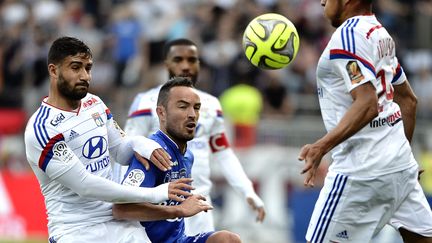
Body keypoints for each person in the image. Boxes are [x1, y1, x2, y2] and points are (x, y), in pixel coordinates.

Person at [24, 36, 202, 243]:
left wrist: (140, 143)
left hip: (118, 224)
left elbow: (121, 152)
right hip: (76, 229)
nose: (84, 76)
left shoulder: (95, 104)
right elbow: (85, 185)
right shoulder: (43, 128)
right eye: (75, 67)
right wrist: (157, 194)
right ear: (53, 70)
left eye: (88, 68)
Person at [298, 0, 432, 242]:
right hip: (400, 168)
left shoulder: (346, 36)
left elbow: (367, 103)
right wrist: (402, 157)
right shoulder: (380, 34)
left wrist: (321, 146)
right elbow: (408, 101)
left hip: (361, 171)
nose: (322, 2)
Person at [112, 38, 265, 235]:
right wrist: (119, 196)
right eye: (178, 59)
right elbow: (125, 152)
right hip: (161, 209)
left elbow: (224, 153)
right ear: (167, 63)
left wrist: (247, 190)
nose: (185, 65)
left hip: (200, 204)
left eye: (192, 60)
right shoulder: (146, 102)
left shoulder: (212, 104)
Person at [113, 77, 242, 243]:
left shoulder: (188, 155)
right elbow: (121, 209)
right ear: (161, 113)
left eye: (196, 108)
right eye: (183, 107)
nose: (192, 115)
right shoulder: (153, 153)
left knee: (228, 239)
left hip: (178, 240)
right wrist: (179, 210)